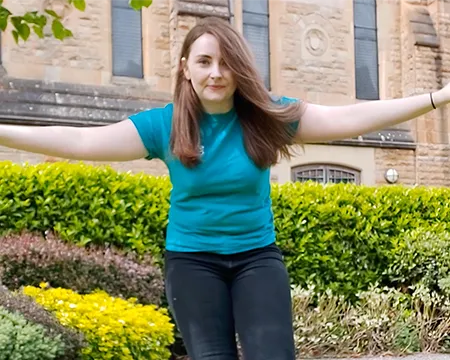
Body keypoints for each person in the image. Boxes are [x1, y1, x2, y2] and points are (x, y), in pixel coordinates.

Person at [1, 16, 449, 360]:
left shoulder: (268, 116)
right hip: (192, 264)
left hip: (257, 257)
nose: (216, 73)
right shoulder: (164, 125)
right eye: (204, 61)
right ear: (185, 68)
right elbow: (80, 140)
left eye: (225, 62)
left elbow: (351, 119)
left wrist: (437, 98)